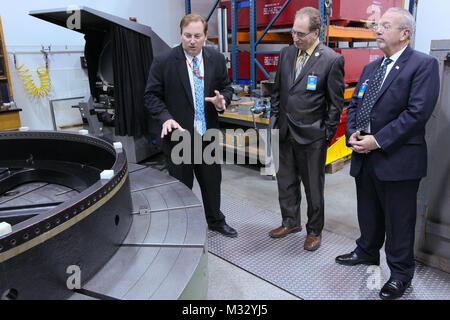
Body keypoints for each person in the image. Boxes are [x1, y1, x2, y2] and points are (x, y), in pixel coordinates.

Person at [335, 7, 440, 300]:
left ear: (405, 33)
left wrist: (377, 140)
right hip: (364, 154)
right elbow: (355, 104)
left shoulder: (423, 65)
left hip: (398, 159)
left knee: (399, 220)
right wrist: (352, 133)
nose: (377, 30)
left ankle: (400, 273)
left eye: (385, 26)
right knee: (368, 211)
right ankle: (367, 251)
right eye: (377, 26)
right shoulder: (372, 68)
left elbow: (417, 113)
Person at [144, 14, 237, 237]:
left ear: (205, 36)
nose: (192, 41)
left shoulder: (215, 59)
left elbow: (226, 87)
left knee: (212, 183)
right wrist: (165, 117)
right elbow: (151, 96)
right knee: (181, 185)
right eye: (187, 36)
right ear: (180, 35)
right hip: (179, 135)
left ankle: (215, 220)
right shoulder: (164, 61)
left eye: (197, 36)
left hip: (206, 133)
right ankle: (183, 225)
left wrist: (222, 100)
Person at [269, 7, 345, 251]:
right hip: (284, 131)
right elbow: (278, 91)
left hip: (312, 136)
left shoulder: (331, 60)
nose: (295, 38)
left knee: (313, 187)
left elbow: (336, 103)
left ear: (316, 32)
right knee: (286, 181)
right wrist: (274, 120)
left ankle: (314, 230)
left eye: (301, 34)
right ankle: (290, 221)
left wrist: (325, 134)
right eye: (293, 32)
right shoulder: (286, 54)